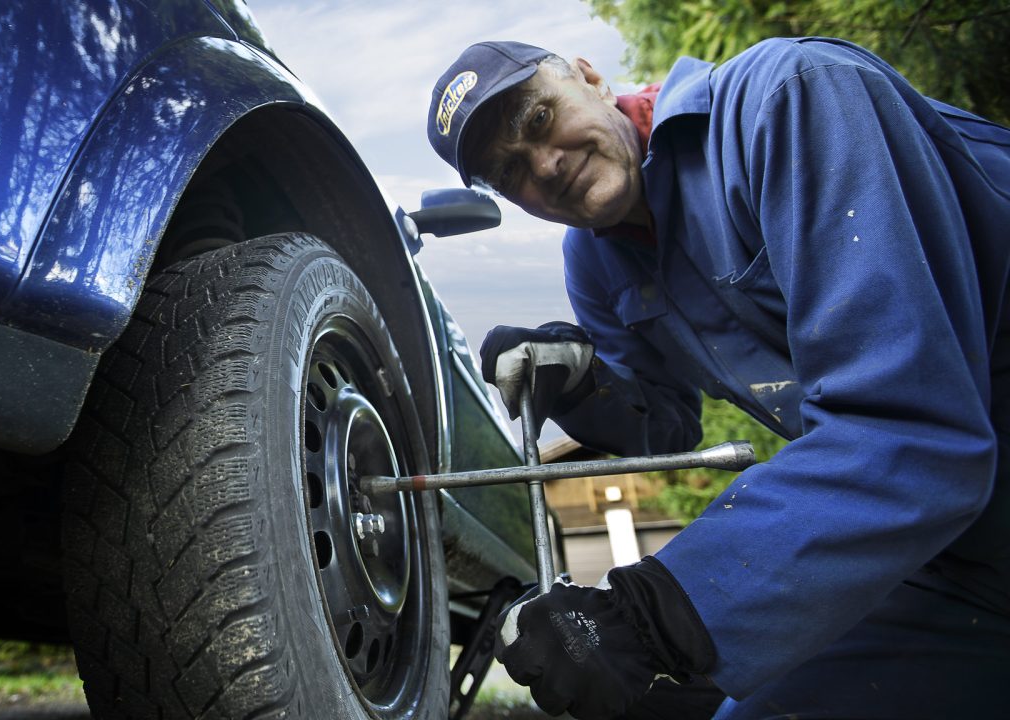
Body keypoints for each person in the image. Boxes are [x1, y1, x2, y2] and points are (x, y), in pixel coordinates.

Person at [426, 38, 1010, 719]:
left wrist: (653, 621)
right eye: (510, 171)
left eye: (537, 120)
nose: (546, 165)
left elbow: (910, 429)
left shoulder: (788, 99)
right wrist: (588, 390)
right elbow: (671, 428)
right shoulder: (595, 262)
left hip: (945, 492)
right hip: (956, 556)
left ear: (590, 77)